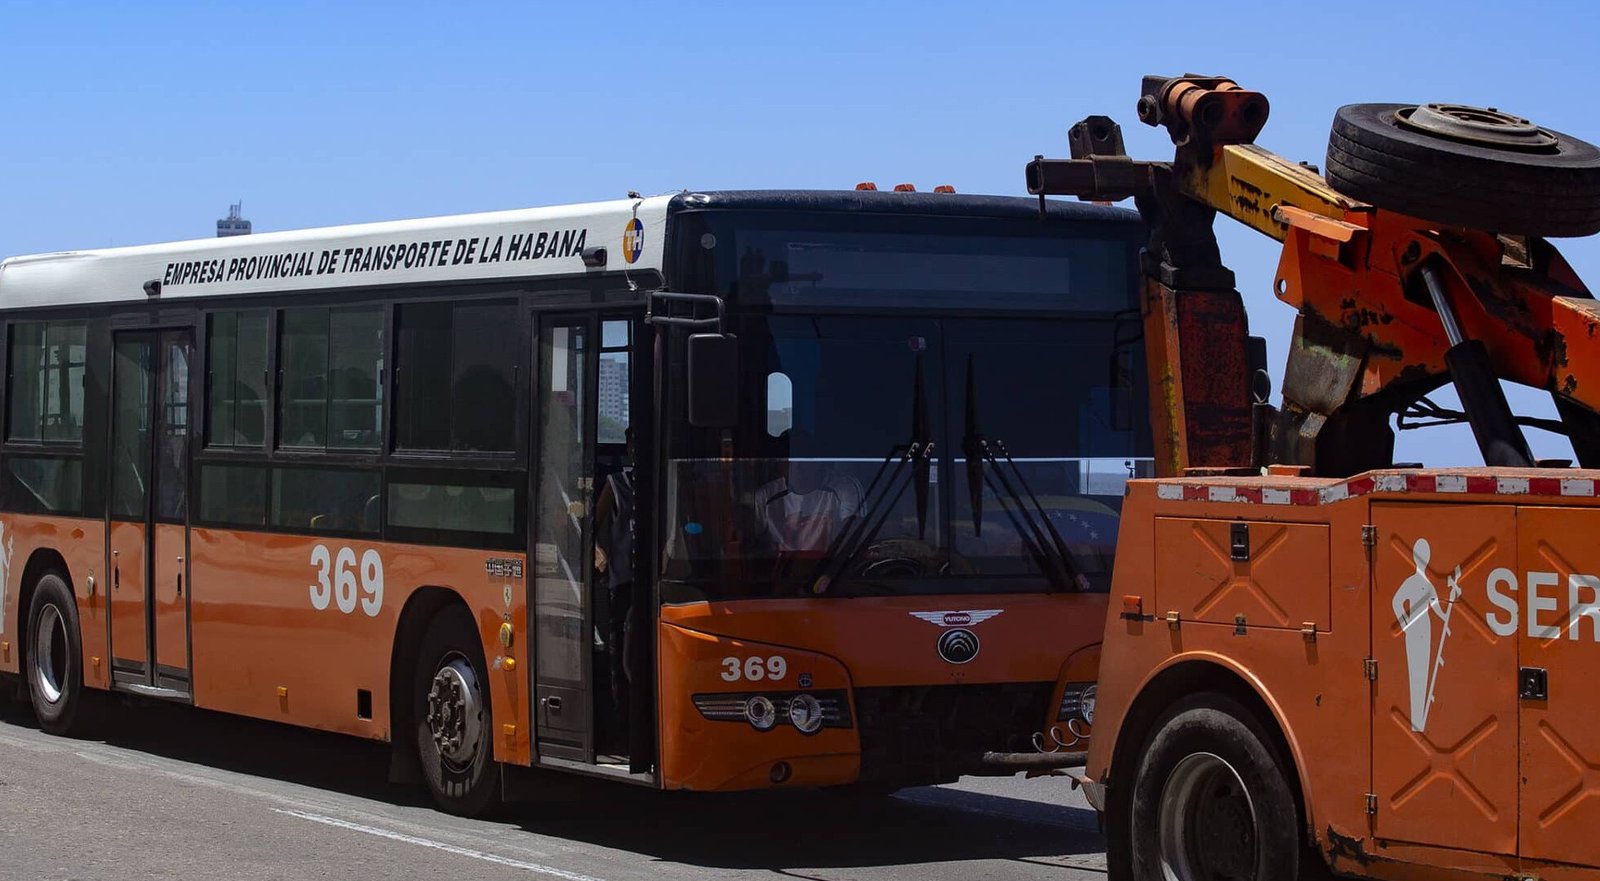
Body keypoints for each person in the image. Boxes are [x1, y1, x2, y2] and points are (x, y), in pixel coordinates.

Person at [593, 428, 637, 753]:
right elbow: (592, 527)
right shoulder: (617, 483)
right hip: (624, 582)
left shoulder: (663, 481)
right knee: (621, 656)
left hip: (655, 583)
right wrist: (599, 553)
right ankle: (624, 728)